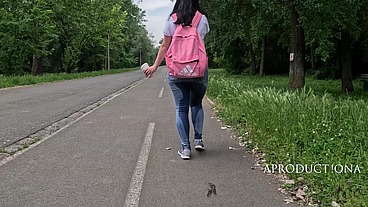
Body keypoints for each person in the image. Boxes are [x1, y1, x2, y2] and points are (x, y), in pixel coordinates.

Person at [144, 0, 210, 160]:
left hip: (177, 71)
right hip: (198, 71)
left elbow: (165, 46)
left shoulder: (171, 20)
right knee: (196, 104)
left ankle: (185, 149)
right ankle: (198, 140)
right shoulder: (202, 19)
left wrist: (154, 66)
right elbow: (201, 41)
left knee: (181, 109)